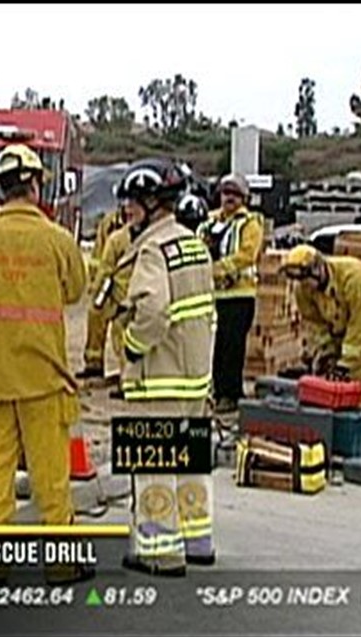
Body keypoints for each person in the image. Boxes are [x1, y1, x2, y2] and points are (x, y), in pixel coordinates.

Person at [0, 144, 90, 585]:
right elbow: (74, 292)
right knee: (51, 475)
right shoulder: (56, 239)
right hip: (42, 376)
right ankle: (61, 563)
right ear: (32, 185)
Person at [114, 158, 216, 577]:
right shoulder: (192, 242)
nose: (126, 212)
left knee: (153, 464)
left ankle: (159, 553)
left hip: (160, 378)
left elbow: (153, 312)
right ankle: (198, 543)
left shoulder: (154, 249)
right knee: (190, 462)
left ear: (154, 202)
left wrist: (132, 347)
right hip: (194, 379)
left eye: (133, 204)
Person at [281, 245, 361, 406]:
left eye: (305, 279)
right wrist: (325, 352)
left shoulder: (352, 277)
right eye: (299, 280)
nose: (304, 285)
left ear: (318, 269)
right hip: (337, 325)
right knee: (330, 375)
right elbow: (315, 325)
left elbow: (360, 323)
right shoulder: (303, 289)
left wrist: (346, 363)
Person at [196, 173, 264, 413]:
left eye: (235, 194)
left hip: (241, 294)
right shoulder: (209, 222)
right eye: (226, 193)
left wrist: (217, 269)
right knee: (218, 345)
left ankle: (231, 395)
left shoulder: (249, 223)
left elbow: (246, 254)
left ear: (244, 198)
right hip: (216, 295)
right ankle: (218, 390)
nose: (229, 198)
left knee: (232, 347)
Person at [82, 198, 142, 388]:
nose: (128, 208)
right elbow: (99, 261)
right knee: (95, 315)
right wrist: (95, 288)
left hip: (131, 293)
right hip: (111, 288)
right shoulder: (109, 226)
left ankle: (128, 380)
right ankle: (94, 362)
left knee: (121, 334)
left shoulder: (139, 232)